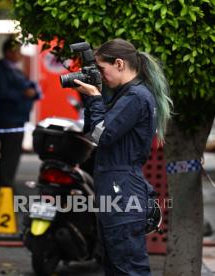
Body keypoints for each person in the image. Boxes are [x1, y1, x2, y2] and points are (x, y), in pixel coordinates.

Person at [73, 38, 172, 275]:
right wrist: (91, 99)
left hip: (123, 190)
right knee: (116, 266)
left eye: (101, 69)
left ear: (119, 63)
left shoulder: (135, 97)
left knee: (129, 268)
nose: (100, 75)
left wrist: (96, 98)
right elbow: (94, 131)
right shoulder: (126, 94)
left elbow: (102, 135)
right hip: (117, 189)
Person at [0, 37, 41, 188]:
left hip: (17, 117)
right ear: (8, 52)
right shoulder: (0, 71)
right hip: (7, 118)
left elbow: (32, 88)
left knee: (13, 154)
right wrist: (24, 94)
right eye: (17, 51)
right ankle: (5, 188)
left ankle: (7, 186)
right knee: (9, 155)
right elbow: (2, 92)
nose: (20, 54)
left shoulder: (16, 71)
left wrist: (32, 92)